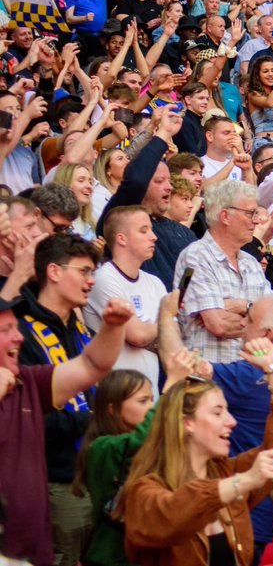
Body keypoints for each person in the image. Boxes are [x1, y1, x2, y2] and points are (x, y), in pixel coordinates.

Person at [119, 336, 273, 566]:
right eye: (217, 413)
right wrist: (244, 481)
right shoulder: (144, 492)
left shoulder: (228, 473)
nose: (231, 422)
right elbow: (175, 512)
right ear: (187, 423)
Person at [0, 267, 135, 566]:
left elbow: (91, 365)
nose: (18, 338)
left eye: (16, 328)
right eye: (6, 330)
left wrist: (113, 327)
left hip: (30, 552)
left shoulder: (27, 381)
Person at [19, 233, 109, 566]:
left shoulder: (81, 330)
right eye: (84, 271)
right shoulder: (20, 334)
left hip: (96, 474)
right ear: (54, 272)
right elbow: (25, 418)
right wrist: (93, 420)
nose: (91, 281)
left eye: (92, 272)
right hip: (56, 480)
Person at [75, 352, 198, 566]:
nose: (151, 407)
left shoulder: (154, 445)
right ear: (113, 409)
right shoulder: (101, 448)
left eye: (152, 400)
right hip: (111, 558)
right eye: (143, 401)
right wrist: (171, 384)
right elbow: (140, 441)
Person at [173, 181, 268, 363]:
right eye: (250, 213)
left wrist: (244, 306)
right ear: (225, 216)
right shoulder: (195, 256)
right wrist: (254, 317)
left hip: (248, 373)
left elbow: (272, 325)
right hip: (207, 373)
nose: (256, 221)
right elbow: (218, 324)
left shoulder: (252, 264)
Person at [85, 205, 165, 395]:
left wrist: (153, 332)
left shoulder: (155, 282)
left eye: (151, 230)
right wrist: (165, 322)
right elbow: (137, 335)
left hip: (150, 396)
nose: (153, 237)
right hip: (114, 397)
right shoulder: (104, 278)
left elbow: (174, 337)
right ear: (122, 238)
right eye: (143, 230)